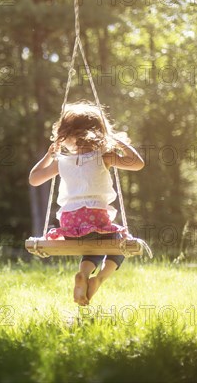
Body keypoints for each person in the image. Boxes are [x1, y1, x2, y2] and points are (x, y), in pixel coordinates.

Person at [29, 101, 145, 305]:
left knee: (93, 244)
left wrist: (48, 156)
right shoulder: (105, 157)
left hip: (69, 224)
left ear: (66, 135)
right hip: (96, 218)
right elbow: (138, 164)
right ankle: (99, 278)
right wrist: (118, 142)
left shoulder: (60, 162)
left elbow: (34, 178)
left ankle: (83, 273)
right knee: (117, 240)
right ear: (99, 133)